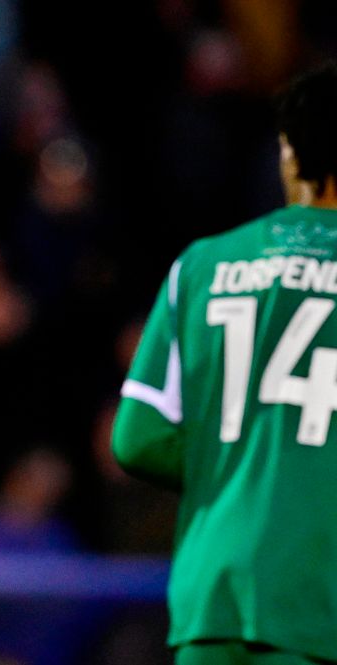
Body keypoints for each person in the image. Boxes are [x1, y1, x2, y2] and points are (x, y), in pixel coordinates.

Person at [113, 61, 337, 665]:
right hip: (320, 603)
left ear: (288, 156)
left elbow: (137, 438)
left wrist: (236, 459)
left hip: (212, 598)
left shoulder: (204, 264)